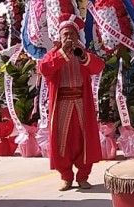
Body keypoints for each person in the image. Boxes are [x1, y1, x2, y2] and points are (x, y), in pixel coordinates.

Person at [39, 14, 106, 190]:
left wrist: (83, 56)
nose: (68, 38)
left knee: (84, 139)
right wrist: (63, 55)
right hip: (61, 104)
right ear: (60, 38)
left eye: (71, 35)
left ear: (78, 37)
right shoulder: (53, 55)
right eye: (65, 35)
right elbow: (44, 69)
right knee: (62, 141)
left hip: (82, 103)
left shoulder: (83, 53)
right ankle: (66, 176)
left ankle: (83, 176)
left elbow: (98, 67)